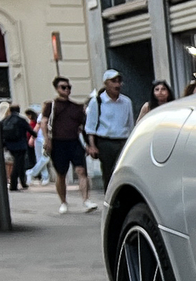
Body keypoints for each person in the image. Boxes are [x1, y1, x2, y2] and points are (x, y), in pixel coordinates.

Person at [86, 69, 135, 211]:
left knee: (123, 171)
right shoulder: (97, 101)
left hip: (122, 140)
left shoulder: (126, 102)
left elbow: (130, 123)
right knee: (109, 172)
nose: (117, 84)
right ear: (106, 84)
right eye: (113, 81)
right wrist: (92, 145)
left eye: (119, 81)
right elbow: (91, 126)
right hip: (106, 141)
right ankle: (111, 203)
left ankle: (123, 200)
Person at [45, 76, 89, 213]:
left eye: (68, 87)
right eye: (63, 87)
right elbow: (44, 123)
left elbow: (84, 126)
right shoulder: (51, 105)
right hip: (58, 142)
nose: (67, 90)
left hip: (74, 141)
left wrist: (88, 143)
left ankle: (86, 199)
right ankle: (63, 202)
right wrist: (47, 140)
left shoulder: (77, 107)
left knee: (81, 170)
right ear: (57, 89)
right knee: (61, 173)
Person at [0, 100, 34, 192]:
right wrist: (35, 136)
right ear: (18, 110)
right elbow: (30, 130)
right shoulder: (21, 120)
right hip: (20, 145)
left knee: (20, 164)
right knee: (18, 165)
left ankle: (23, 182)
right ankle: (14, 184)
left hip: (9, 145)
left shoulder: (5, 120)